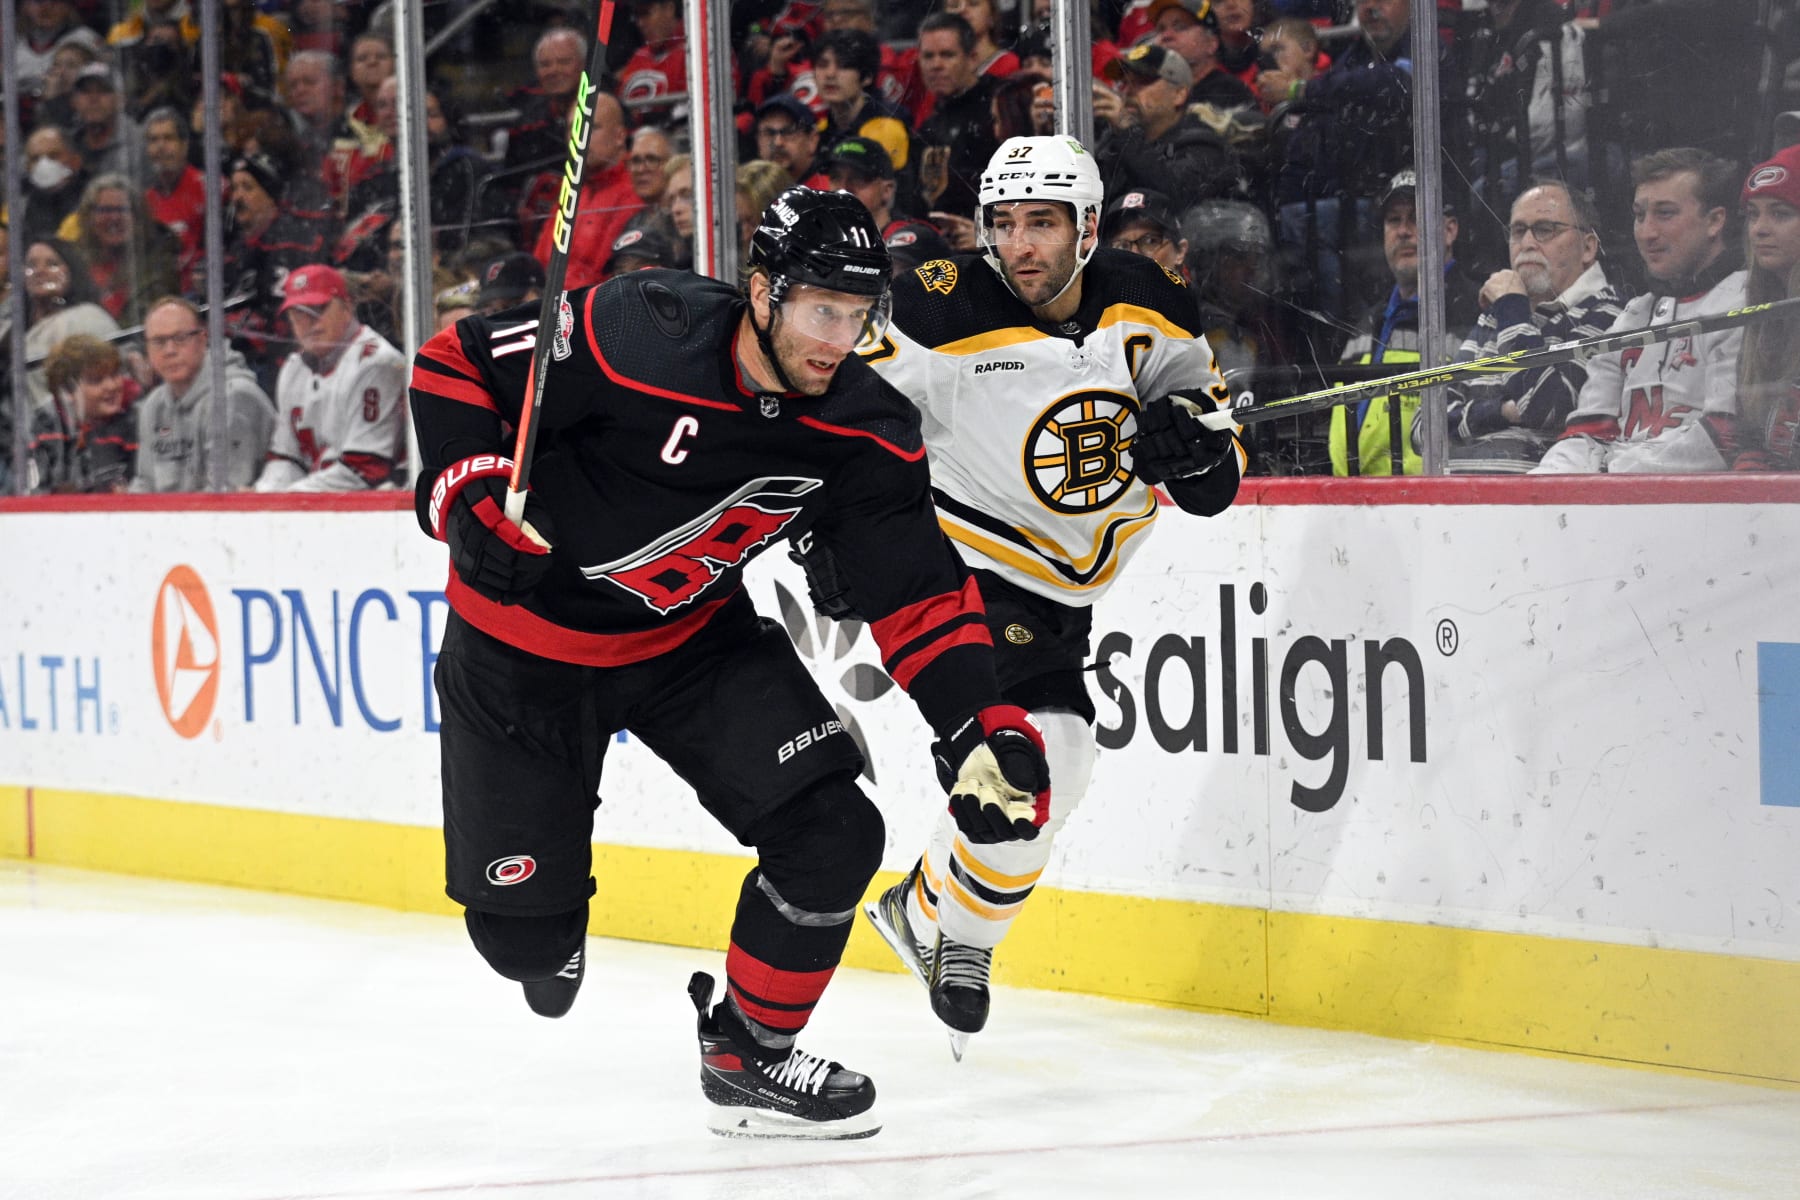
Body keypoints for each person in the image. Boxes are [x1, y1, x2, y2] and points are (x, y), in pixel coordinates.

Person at [406, 186, 1052, 1138]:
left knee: (836, 834)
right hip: (520, 652)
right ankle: (546, 919)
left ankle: (747, 1055)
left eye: (859, 313)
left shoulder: (865, 430)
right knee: (525, 952)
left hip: (689, 643)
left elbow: (915, 587)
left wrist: (977, 720)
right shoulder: (637, 329)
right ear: (762, 292)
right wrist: (464, 496)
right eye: (820, 310)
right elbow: (454, 362)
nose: (840, 338)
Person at [849, 136, 1245, 1053]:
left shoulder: (1149, 302)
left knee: (1059, 771)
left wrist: (1192, 449)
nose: (1021, 245)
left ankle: (924, 908)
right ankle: (961, 941)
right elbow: (837, 409)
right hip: (965, 569)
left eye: (1044, 223)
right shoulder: (932, 306)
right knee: (1027, 765)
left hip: (1066, 590)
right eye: (1004, 223)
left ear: (1089, 226)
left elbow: (1214, 480)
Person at [1535, 148, 1747, 474]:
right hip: (1624, 501)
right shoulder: (1634, 314)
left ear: (1715, 220)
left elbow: (1723, 440)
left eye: (1665, 214)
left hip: (1708, 512)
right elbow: (1587, 435)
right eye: (1639, 215)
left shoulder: (1744, 303)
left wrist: (1616, 472)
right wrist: (1542, 485)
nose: (1647, 232)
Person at [1422, 181, 1624, 473]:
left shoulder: (1610, 311)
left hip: (1541, 508)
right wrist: (1504, 411)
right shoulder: (1498, 313)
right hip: (1459, 504)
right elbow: (1424, 427)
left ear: (1588, 247)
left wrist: (1512, 309)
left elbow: (1547, 407)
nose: (1527, 243)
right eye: (1518, 231)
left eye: (1545, 229)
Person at [1332, 171, 1479, 476]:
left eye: (1416, 217)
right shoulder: (1368, 321)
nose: (1403, 231)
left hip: (1431, 506)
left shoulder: (1476, 312)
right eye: (1393, 220)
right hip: (1354, 502)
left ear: (1449, 230)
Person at [255, 264, 407, 491]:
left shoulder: (376, 363)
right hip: (321, 502)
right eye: (298, 314)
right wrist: (264, 496)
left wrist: (288, 499)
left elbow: (366, 471)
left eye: (318, 309)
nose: (308, 323)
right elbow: (286, 458)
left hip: (380, 508)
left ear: (347, 307)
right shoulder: (294, 367)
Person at [131, 296, 277, 492]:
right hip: (175, 519)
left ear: (202, 339)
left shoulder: (232, 397)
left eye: (180, 338)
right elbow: (145, 485)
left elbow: (225, 496)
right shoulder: (154, 405)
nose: (170, 350)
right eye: (159, 341)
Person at [1097, 43, 1244, 205]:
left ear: (1179, 94)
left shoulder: (1205, 145)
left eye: (1143, 81)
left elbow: (1174, 194)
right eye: (1125, 82)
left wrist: (1126, 131)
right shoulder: (1115, 143)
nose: (1129, 91)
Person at [1734, 144, 1800, 471]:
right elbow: (1749, 441)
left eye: (1781, 213)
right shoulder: (1760, 317)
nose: (1759, 228)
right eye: (1753, 214)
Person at [18, 237, 121, 418]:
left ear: (72, 270)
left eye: (52, 264)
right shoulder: (16, 328)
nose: (39, 271)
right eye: (31, 265)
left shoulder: (88, 318)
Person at [914, 13, 1000, 219]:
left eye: (947, 55)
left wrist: (983, 234)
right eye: (928, 56)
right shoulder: (928, 125)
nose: (936, 65)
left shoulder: (999, 107)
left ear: (972, 59)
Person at [30, 333, 137, 493]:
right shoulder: (42, 427)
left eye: (115, 374)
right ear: (67, 390)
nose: (112, 386)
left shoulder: (134, 421)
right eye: (96, 380)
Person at [1151, 0, 1256, 110]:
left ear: (1211, 43)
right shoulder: (1152, 95)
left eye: (1181, 27)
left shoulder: (1229, 93)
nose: (1166, 35)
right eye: (1161, 29)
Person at [1102, 187, 1189, 276]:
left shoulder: (1199, 289)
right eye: (1122, 246)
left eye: (1150, 241)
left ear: (1180, 252)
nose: (1134, 256)